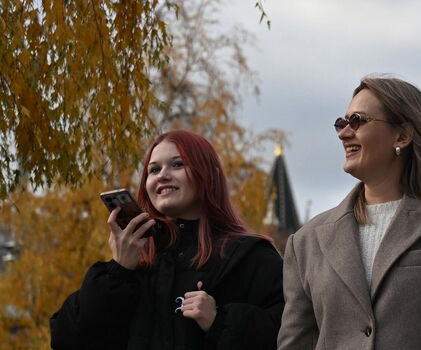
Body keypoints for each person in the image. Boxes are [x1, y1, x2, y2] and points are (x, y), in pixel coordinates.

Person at [279, 76, 421, 349]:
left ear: (402, 135)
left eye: (358, 121)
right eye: (341, 123)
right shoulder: (306, 243)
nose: (344, 133)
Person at [50, 130, 284, 350]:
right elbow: (67, 339)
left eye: (178, 164)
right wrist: (118, 271)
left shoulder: (249, 257)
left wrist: (219, 321)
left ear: (209, 176)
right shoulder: (135, 266)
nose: (162, 175)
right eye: (153, 170)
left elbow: (291, 332)